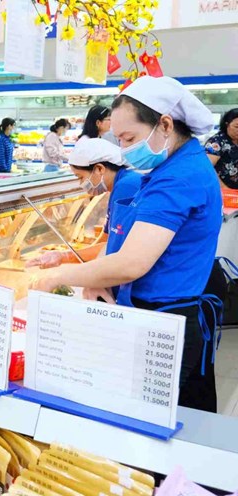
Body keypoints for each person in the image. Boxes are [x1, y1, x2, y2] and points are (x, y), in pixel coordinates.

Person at [30, 76, 223, 412]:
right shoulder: (166, 168)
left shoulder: (180, 177)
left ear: (164, 124)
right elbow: (121, 240)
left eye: (129, 138)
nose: (124, 149)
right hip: (157, 314)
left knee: (156, 427)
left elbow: (133, 262)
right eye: (118, 139)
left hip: (166, 320)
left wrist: (57, 276)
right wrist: (94, 279)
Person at [27, 138, 142, 271]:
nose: (81, 184)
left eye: (80, 177)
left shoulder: (126, 186)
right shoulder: (119, 185)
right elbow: (104, 240)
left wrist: (64, 257)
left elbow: (114, 247)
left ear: (99, 169)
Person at [205, 108, 238, 189]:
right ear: (227, 125)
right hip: (222, 190)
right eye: (236, 127)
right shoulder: (216, 142)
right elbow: (207, 168)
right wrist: (225, 189)